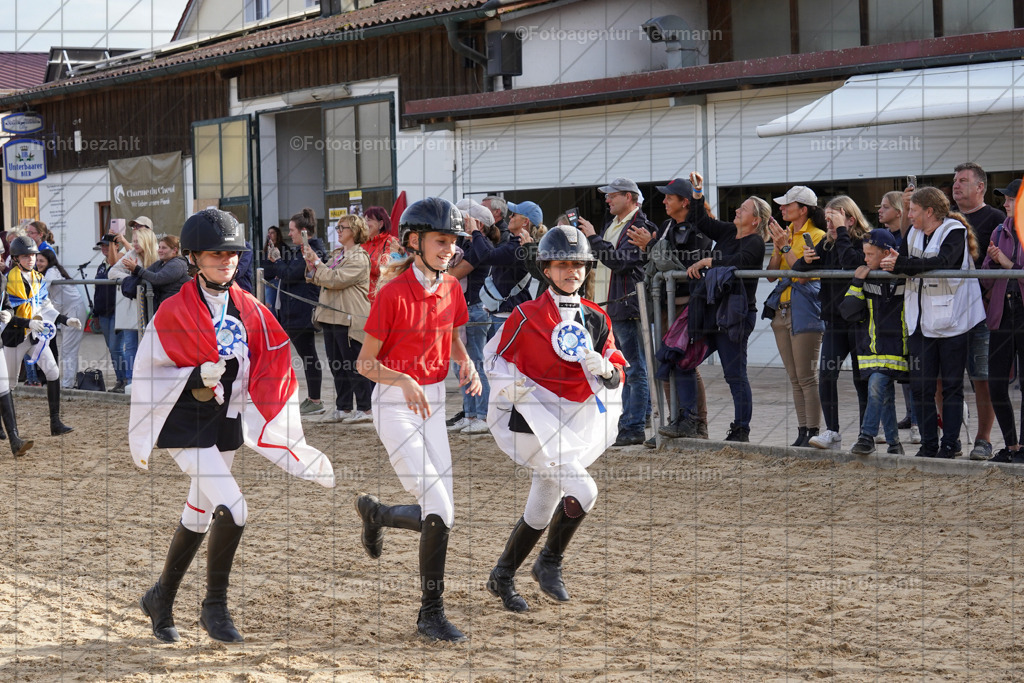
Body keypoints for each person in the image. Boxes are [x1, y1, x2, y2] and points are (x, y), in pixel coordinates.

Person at [129, 208, 334, 645]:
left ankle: (160, 598)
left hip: (226, 421)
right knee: (234, 508)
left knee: (199, 513)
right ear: (193, 258)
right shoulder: (172, 310)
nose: (227, 260)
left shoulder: (251, 310)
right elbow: (148, 370)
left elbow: (273, 355)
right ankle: (214, 607)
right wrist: (194, 373)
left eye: (233, 253)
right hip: (184, 423)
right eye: (215, 253)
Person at [353, 197, 480, 643]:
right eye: (441, 240)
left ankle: (378, 514)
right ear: (415, 241)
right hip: (393, 402)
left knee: (442, 511)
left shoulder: (452, 287)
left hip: (433, 403)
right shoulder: (391, 294)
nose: (449, 249)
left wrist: (466, 362)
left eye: (453, 242)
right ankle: (431, 614)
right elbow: (365, 364)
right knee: (439, 507)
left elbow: (451, 330)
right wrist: (402, 379)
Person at [483, 225, 625, 613]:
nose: (572, 272)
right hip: (532, 427)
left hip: (572, 423)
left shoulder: (597, 318)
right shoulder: (525, 315)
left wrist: (608, 372)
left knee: (542, 506)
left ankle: (502, 576)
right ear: (547, 268)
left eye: (578, 264)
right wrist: (520, 393)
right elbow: (494, 359)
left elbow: (617, 370)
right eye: (562, 264)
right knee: (585, 491)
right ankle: (549, 563)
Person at [881, 186, 986, 459]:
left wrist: (904, 264)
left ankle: (950, 444)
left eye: (913, 211)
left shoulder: (954, 230)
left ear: (929, 211)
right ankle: (929, 444)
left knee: (951, 386)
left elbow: (944, 262)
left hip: (953, 320)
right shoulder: (914, 232)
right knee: (922, 387)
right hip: (919, 321)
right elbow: (899, 260)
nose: (910, 216)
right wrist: (900, 263)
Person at [685, 174, 769, 442]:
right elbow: (701, 221)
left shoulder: (755, 241)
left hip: (735, 316)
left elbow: (739, 261)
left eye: (743, 209)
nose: (736, 210)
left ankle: (741, 428)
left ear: (755, 220)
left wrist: (709, 261)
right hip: (712, 312)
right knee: (683, 361)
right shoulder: (729, 232)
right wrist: (698, 193)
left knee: (734, 375)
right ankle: (688, 421)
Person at [629, 177, 712, 440]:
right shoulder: (665, 226)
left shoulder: (701, 229)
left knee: (686, 364)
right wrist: (649, 248)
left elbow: (685, 267)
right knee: (665, 364)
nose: (664, 201)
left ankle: (698, 425)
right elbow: (658, 262)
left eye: (669, 197)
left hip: (687, 307)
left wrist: (651, 246)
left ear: (685, 202)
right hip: (664, 306)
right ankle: (673, 422)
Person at [577, 177, 658, 447]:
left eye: (612, 195)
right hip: (612, 305)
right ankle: (639, 417)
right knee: (628, 367)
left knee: (633, 369)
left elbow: (620, 262)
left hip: (628, 306)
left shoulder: (640, 225)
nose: (607, 199)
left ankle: (633, 427)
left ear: (629, 197)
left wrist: (592, 237)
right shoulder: (615, 224)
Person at [792, 196, 870, 451]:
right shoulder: (828, 244)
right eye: (826, 219)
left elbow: (852, 262)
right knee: (826, 374)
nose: (828, 224)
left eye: (833, 218)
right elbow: (802, 271)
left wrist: (842, 232)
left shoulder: (863, 240)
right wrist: (807, 258)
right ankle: (833, 431)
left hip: (859, 321)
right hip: (834, 320)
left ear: (850, 218)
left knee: (862, 378)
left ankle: (865, 433)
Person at [765, 186, 827, 447]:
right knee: (794, 376)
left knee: (806, 376)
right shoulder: (786, 233)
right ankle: (803, 430)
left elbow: (801, 275)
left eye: (787, 205)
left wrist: (785, 245)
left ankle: (813, 430)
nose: (781, 209)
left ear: (804, 209)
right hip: (783, 310)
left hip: (805, 311)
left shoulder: (819, 236)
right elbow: (770, 275)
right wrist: (779, 247)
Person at [951, 163, 1004, 460]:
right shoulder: (944, 220)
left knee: (982, 377)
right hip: (945, 313)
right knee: (944, 378)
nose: (956, 186)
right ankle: (951, 438)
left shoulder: (996, 220)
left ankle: (983, 440)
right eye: (954, 181)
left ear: (980, 187)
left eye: (963, 181)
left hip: (982, 314)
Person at [841, 229, 909, 456]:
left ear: (887, 253)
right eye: (865, 254)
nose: (865, 259)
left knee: (877, 386)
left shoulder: (903, 276)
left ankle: (866, 436)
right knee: (884, 394)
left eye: (870, 254)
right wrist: (857, 282)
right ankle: (894, 444)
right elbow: (848, 312)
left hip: (895, 349)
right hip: (869, 349)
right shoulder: (865, 278)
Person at [2, 236, 78, 437]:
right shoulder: (9, 279)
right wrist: (28, 323)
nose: (31, 259)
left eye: (33, 255)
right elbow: (8, 311)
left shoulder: (38, 278)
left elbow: (45, 306)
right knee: (8, 383)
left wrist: (64, 319)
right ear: (17, 259)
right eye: (26, 256)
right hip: (15, 336)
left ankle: (55, 422)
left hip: (35, 336)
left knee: (53, 373)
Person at [304, 213, 373, 424]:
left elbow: (334, 280)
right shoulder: (338, 255)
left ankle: (365, 408)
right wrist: (311, 265)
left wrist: (317, 263)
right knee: (337, 365)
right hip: (332, 316)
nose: (339, 231)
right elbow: (319, 278)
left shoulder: (359, 257)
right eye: (338, 227)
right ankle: (343, 407)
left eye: (342, 227)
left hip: (349, 317)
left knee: (353, 364)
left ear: (355, 231)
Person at [263, 208, 327, 416]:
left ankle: (315, 399)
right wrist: (274, 260)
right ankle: (307, 397)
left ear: (304, 231)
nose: (289, 234)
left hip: (302, 311)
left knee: (308, 357)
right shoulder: (299, 250)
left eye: (292, 230)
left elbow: (289, 275)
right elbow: (275, 272)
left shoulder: (312, 250)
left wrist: (279, 262)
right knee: (300, 355)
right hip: (291, 312)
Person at [446, 200, 500, 435]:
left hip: (474, 310)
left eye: (463, 218)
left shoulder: (480, 246)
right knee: (461, 366)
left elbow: (454, 274)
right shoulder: (466, 244)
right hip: (461, 310)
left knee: (476, 364)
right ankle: (469, 413)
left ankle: (484, 415)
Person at [981, 179, 1024, 463]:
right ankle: (1012, 446)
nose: (1005, 203)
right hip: (1001, 314)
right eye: (1005, 199)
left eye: (1010, 199)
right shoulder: (999, 231)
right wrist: (993, 261)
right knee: (996, 383)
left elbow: (1015, 269)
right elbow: (984, 277)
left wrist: (1006, 264)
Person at [879, 191, 920, 444]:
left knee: (912, 364)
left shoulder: (907, 237)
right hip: (887, 307)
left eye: (885, 207)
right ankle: (908, 414)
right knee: (897, 366)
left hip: (907, 305)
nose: (880, 211)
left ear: (898, 210)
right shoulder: (882, 236)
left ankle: (917, 420)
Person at [109, 226, 158, 389]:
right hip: (134, 309)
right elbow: (112, 272)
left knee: (152, 344)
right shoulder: (131, 255)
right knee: (130, 345)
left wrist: (139, 274)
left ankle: (151, 381)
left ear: (146, 241)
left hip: (154, 307)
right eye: (133, 241)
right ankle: (131, 381)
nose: (134, 244)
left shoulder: (157, 255)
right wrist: (133, 278)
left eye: (137, 241)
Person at [36, 250, 88, 390]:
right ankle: (72, 382)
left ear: (49, 262)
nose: (38, 263)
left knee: (68, 349)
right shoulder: (47, 271)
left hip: (74, 310)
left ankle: (67, 385)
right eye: (37, 260)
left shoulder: (52, 271)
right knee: (69, 349)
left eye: (41, 261)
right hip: (66, 312)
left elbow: (42, 289)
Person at [120, 234, 190, 311]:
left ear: (174, 250)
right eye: (159, 247)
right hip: (166, 308)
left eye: (164, 248)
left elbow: (157, 279)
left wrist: (136, 269)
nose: (159, 250)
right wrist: (134, 271)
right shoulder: (160, 263)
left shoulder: (177, 264)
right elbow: (145, 274)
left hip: (178, 309)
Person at [93, 234, 126, 391]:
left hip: (117, 311)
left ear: (116, 246)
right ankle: (120, 379)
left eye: (108, 245)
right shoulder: (101, 266)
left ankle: (125, 379)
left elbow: (115, 263)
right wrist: (95, 314)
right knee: (111, 348)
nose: (104, 248)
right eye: (103, 245)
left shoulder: (120, 262)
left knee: (116, 347)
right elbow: (98, 291)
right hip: (103, 312)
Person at [362, 206, 399, 301]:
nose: (365, 223)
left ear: (380, 224)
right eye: (364, 220)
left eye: (369, 220)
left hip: (379, 299)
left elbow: (387, 271)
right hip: (360, 300)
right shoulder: (362, 243)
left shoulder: (391, 242)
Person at [263, 226, 284, 316]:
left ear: (277, 235)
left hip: (276, 281)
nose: (270, 235)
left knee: (276, 307)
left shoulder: (282, 247)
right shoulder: (266, 248)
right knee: (268, 307)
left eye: (272, 233)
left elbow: (284, 263)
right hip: (267, 281)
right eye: (269, 233)